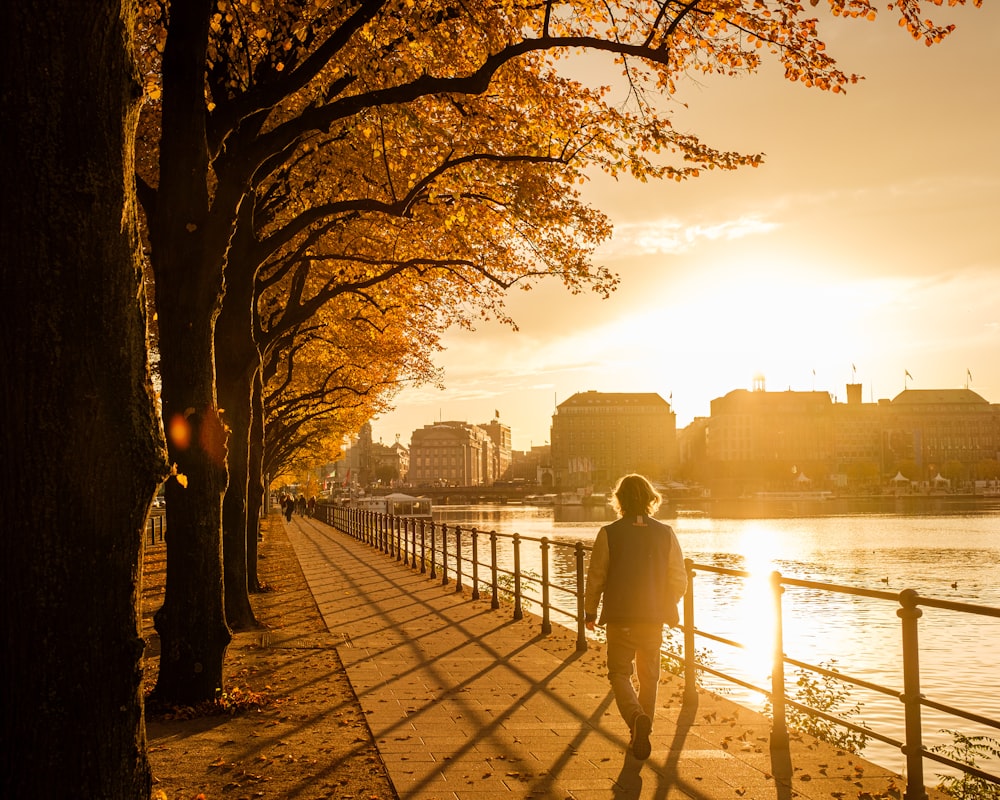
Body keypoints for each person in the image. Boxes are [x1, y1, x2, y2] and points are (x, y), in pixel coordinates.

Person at [584, 473, 687, 761]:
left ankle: (635, 719)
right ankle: (644, 728)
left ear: (620, 501)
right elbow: (679, 579)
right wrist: (666, 602)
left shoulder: (609, 533)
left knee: (619, 673)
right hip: (653, 617)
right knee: (649, 675)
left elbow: (596, 577)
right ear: (650, 499)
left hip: (620, 617)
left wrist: (590, 611)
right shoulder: (666, 533)